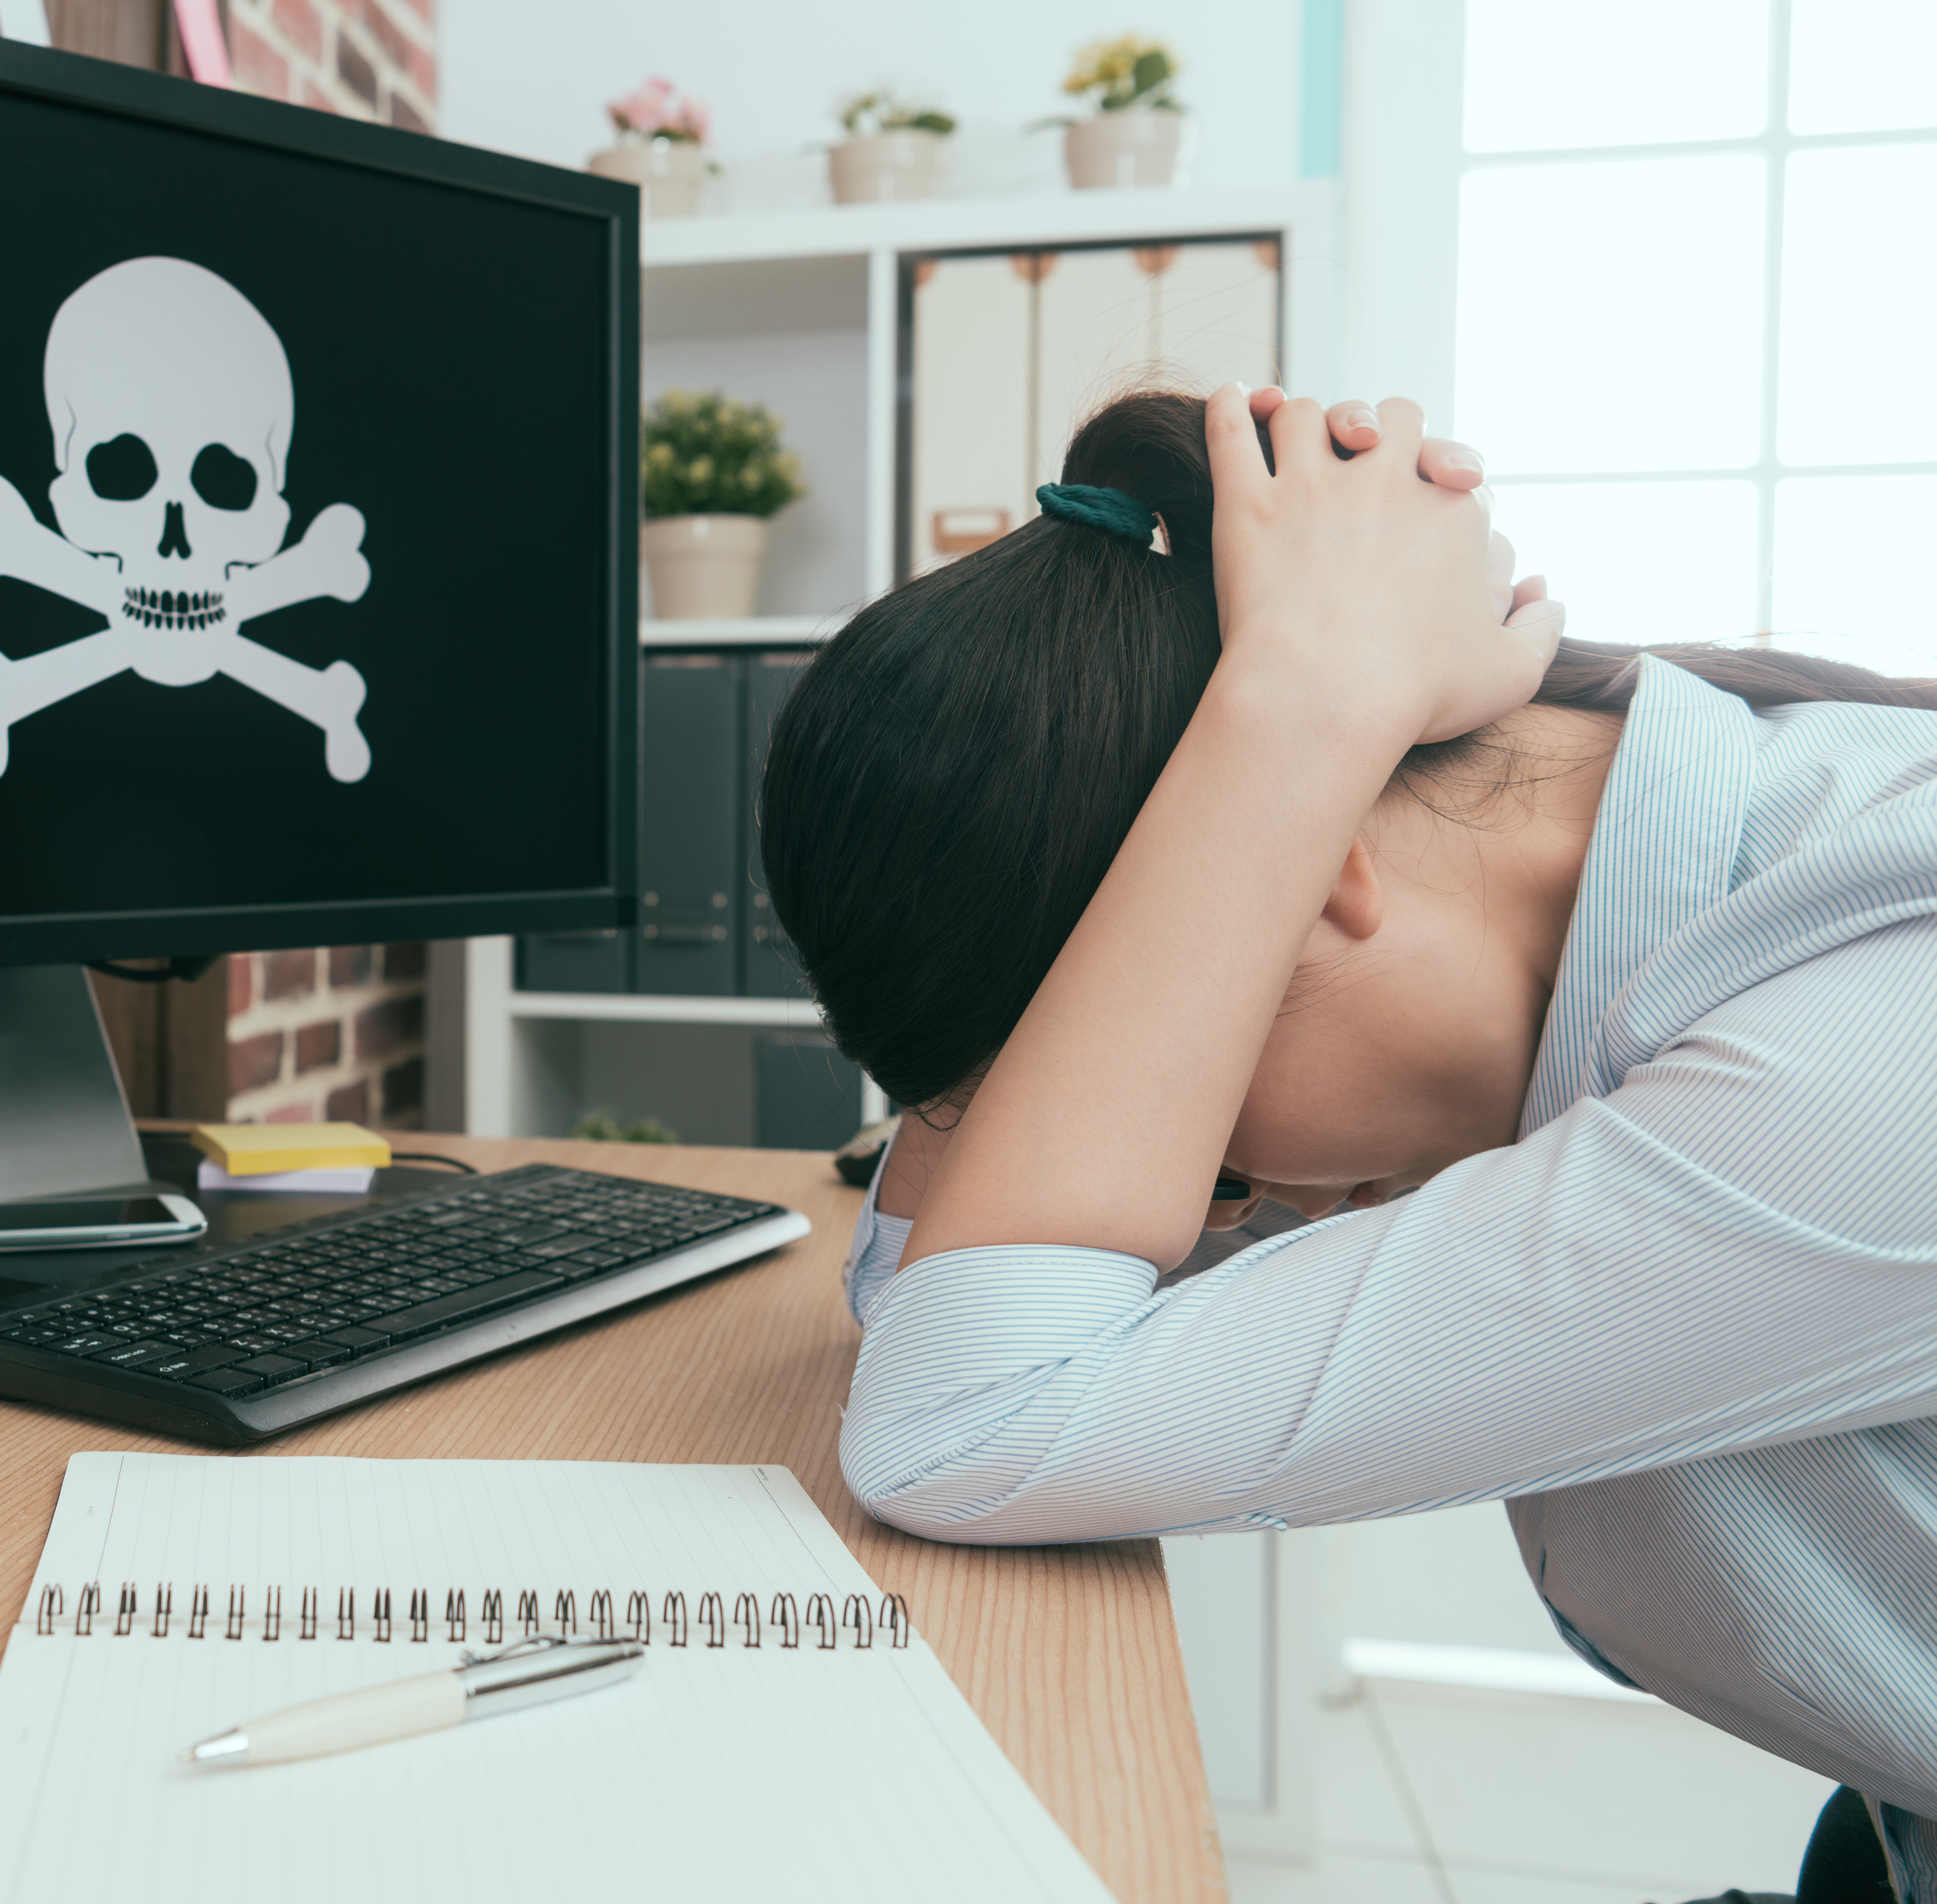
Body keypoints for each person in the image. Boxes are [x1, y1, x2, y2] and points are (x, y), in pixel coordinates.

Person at [759, 384, 1937, 1904]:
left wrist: (1304, 705)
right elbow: (928, 1292)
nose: (1200, 1193)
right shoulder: (1709, 875)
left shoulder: (1867, 1048)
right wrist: (1294, 715)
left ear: (1316, 863)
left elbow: (965, 1412)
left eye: (1196, 1116)